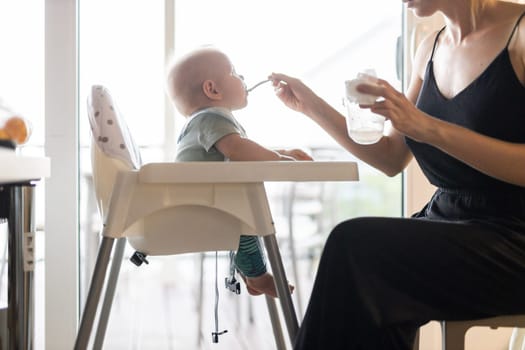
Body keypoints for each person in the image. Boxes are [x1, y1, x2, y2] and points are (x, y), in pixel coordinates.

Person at [269, 0, 525, 348]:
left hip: (514, 237)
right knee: (368, 287)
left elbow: (423, 130)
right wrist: (310, 105)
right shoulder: (429, 49)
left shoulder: (521, 32)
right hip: (450, 221)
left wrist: (427, 127)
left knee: (356, 248)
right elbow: (390, 157)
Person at [166, 47, 311, 298]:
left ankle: (252, 273)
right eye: (235, 73)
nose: (243, 78)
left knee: (247, 216)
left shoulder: (206, 121)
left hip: (199, 202)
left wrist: (283, 151)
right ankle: (257, 276)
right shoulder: (212, 118)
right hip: (201, 207)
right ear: (213, 90)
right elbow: (237, 149)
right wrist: (280, 159)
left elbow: (238, 149)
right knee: (246, 220)